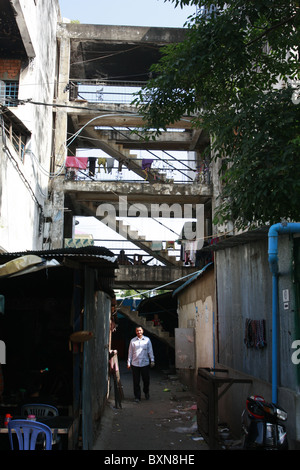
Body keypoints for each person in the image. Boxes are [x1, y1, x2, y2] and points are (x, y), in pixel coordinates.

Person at [127, 326, 155, 402]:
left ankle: (146, 392)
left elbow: (150, 351)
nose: (138, 332)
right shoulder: (132, 341)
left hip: (145, 363)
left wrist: (152, 360)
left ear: (142, 331)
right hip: (135, 364)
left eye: (140, 330)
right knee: (136, 381)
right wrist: (128, 362)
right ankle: (137, 396)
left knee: (146, 380)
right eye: (137, 331)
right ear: (136, 332)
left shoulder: (147, 340)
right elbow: (130, 352)